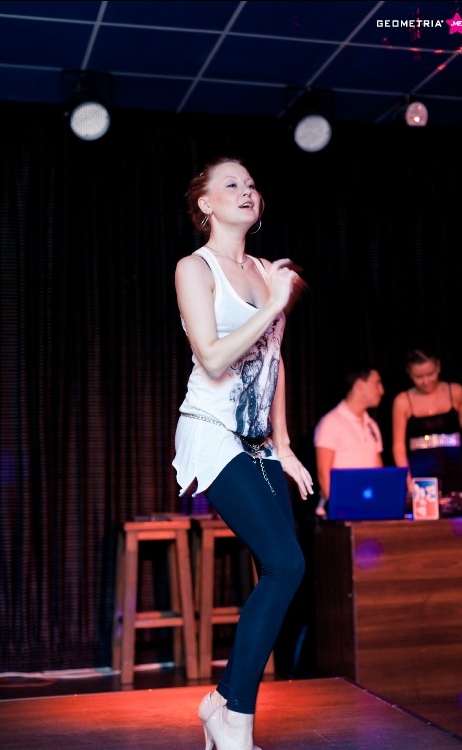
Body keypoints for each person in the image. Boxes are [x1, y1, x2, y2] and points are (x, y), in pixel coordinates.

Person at [172, 155, 314, 750]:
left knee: (285, 570)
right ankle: (234, 717)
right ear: (206, 204)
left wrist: (285, 444)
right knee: (286, 564)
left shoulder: (264, 269)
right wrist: (276, 304)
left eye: (251, 183)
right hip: (211, 430)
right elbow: (212, 356)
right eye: (231, 184)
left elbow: (273, 362)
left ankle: (223, 706)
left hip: (258, 441)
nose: (246, 191)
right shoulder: (194, 268)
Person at [392, 347, 462, 496]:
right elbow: (399, 447)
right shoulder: (402, 401)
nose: (426, 381)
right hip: (421, 475)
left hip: (455, 472)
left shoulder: (455, 391)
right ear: (409, 373)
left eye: (430, 374)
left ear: (438, 367)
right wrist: (407, 481)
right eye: (418, 377)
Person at [313, 364, 385, 517]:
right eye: (377, 383)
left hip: (368, 509)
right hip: (341, 514)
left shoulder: (371, 425)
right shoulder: (331, 422)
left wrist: (380, 504)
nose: (381, 390)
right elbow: (323, 473)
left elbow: (379, 472)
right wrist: (339, 510)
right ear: (360, 385)